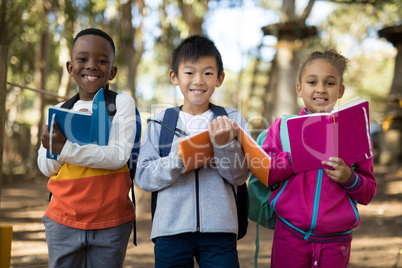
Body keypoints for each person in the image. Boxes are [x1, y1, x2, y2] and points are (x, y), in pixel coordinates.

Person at [136, 34, 249, 268]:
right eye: (189, 72)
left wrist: (223, 145)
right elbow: (144, 177)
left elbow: (239, 176)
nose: (198, 80)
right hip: (170, 231)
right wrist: (177, 158)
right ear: (174, 77)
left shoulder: (232, 120)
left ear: (220, 78)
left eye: (208, 73)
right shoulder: (158, 123)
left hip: (220, 231)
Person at [262, 48, 377, 268]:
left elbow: (368, 191)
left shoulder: (356, 132)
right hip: (290, 234)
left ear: (341, 90)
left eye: (330, 83)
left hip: (337, 242)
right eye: (312, 82)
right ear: (299, 88)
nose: (321, 89)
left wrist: (349, 178)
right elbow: (266, 172)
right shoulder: (282, 128)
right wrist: (292, 159)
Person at [37, 28, 136, 268]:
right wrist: (55, 150)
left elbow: (117, 156)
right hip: (63, 219)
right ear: (70, 68)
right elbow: (46, 166)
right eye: (82, 59)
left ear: (112, 71)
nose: (91, 66)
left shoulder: (120, 104)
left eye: (101, 61)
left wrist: (64, 148)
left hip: (111, 222)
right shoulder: (60, 109)